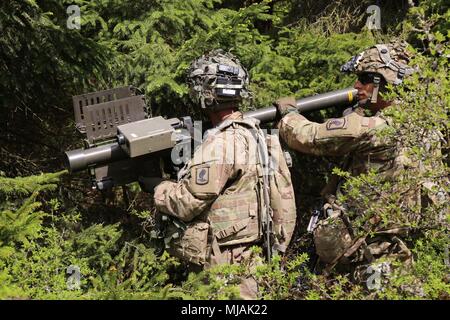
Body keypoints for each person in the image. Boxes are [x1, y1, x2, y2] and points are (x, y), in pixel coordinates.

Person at [274, 41, 439, 277]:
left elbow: (308, 137)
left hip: (368, 248)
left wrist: (288, 114)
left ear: (382, 82)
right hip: (406, 243)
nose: (356, 85)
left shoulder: (373, 127)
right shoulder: (423, 126)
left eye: (364, 79)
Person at [141, 49, 297, 299]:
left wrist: (157, 186)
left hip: (226, 262)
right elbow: (284, 201)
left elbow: (185, 203)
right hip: (254, 255)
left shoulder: (221, 144)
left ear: (206, 94)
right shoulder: (260, 135)